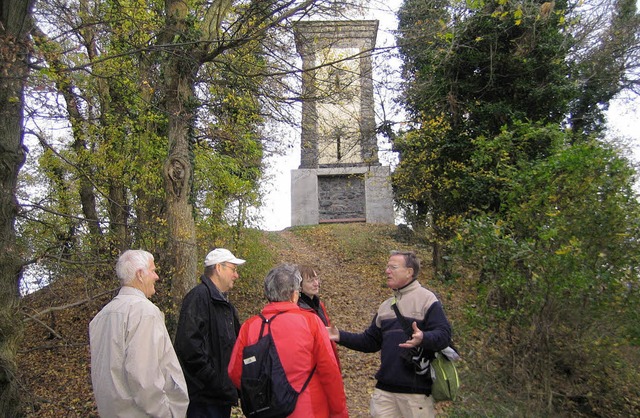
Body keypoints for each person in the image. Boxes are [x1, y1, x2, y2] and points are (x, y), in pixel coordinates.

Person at [328, 250, 452, 418]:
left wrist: (423, 338)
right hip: (384, 393)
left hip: (416, 396)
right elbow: (370, 342)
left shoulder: (427, 299)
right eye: (387, 267)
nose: (387, 271)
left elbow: (444, 335)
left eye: (393, 267)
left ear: (409, 272)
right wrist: (339, 336)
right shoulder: (386, 306)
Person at [228, 264, 348, 418]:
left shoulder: (250, 327)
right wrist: (339, 412)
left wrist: (264, 393)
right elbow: (330, 372)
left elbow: (235, 372)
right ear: (294, 294)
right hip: (309, 409)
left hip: (266, 410)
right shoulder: (311, 322)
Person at [89, 249, 189, 418]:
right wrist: (167, 413)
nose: (157, 276)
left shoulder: (101, 316)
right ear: (140, 274)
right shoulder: (144, 312)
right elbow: (144, 378)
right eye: (153, 270)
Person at [174, 248, 245, 418]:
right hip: (204, 401)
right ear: (218, 268)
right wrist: (215, 381)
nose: (236, 275)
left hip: (221, 397)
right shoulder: (198, 298)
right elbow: (188, 348)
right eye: (233, 269)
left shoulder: (224, 304)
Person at [297, 265, 340, 367]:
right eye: (310, 281)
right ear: (300, 287)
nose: (316, 284)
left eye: (316, 279)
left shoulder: (319, 304)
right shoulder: (299, 310)